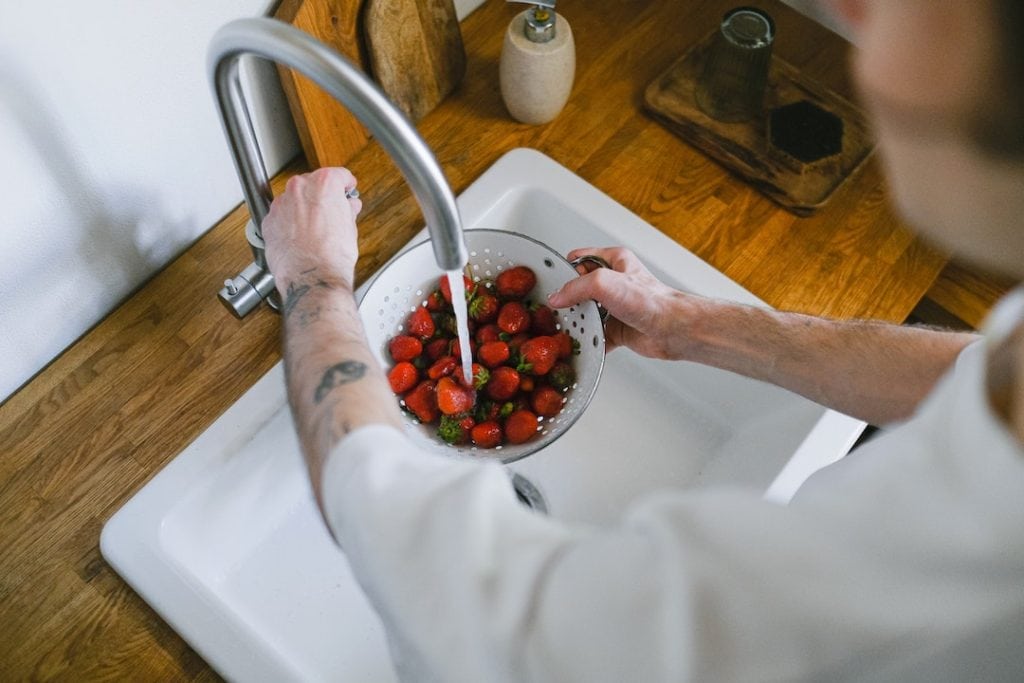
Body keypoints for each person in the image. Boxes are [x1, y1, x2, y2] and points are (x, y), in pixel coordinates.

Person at [261, 0, 1024, 680]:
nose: (849, 8)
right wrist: (690, 323)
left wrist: (315, 279)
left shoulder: (955, 566)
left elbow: (479, 618)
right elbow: (975, 374)